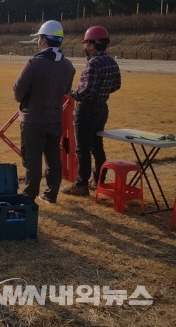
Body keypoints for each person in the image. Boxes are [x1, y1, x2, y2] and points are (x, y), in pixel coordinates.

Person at [14, 20, 76, 204]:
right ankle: (51, 194)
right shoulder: (68, 66)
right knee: (53, 159)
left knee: (32, 160)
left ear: (43, 40)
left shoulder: (34, 63)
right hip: (54, 119)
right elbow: (66, 90)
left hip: (33, 120)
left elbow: (18, 93)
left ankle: (29, 196)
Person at [63, 25, 121, 196]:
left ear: (91, 44)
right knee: (97, 146)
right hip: (102, 108)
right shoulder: (111, 61)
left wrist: (70, 93)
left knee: (82, 149)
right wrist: (102, 92)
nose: (84, 47)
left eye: (85, 43)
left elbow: (85, 92)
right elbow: (116, 85)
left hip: (87, 109)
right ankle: (99, 180)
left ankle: (81, 185)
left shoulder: (93, 64)